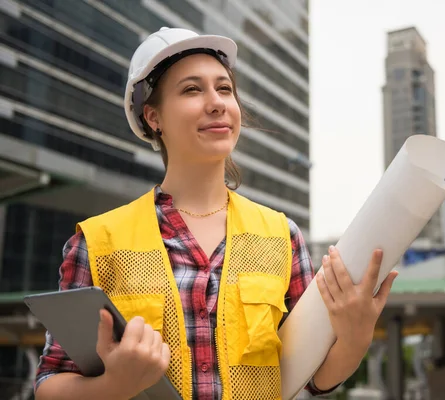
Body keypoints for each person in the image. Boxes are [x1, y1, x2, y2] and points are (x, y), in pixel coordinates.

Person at [34, 27, 398, 400]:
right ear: (153, 116)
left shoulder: (281, 236)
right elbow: (51, 383)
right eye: (192, 90)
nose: (216, 102)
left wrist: (354, 337)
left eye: (224, 89)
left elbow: (313, 377)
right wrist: (116, 385)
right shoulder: (97, 241)